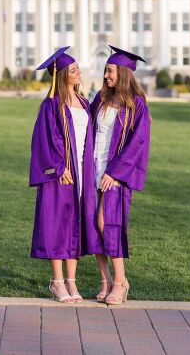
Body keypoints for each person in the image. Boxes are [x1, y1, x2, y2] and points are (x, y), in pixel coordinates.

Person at [83, 45, 151, 306]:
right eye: (105, 70)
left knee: (106, 222)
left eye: (110, 71)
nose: (106, 75)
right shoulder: (100, 99)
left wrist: (116, 173)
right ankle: (105, 281)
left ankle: (121, 282)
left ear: (122, 73)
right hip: (94, 168)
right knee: (92, 224)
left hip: (113, 174)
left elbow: (138, 143)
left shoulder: (137, 106)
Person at [29, 47, 95, 303]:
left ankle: (71, 281)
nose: (78, 72)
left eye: (78, 68)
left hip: (82, 171)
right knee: (58, 224)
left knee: (75, 224)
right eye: (73, 69)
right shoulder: (51, 106)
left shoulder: (84, 102)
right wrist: (58, 168)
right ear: (62, 75)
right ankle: (57, 282)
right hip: (62, 174)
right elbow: (44, 141)